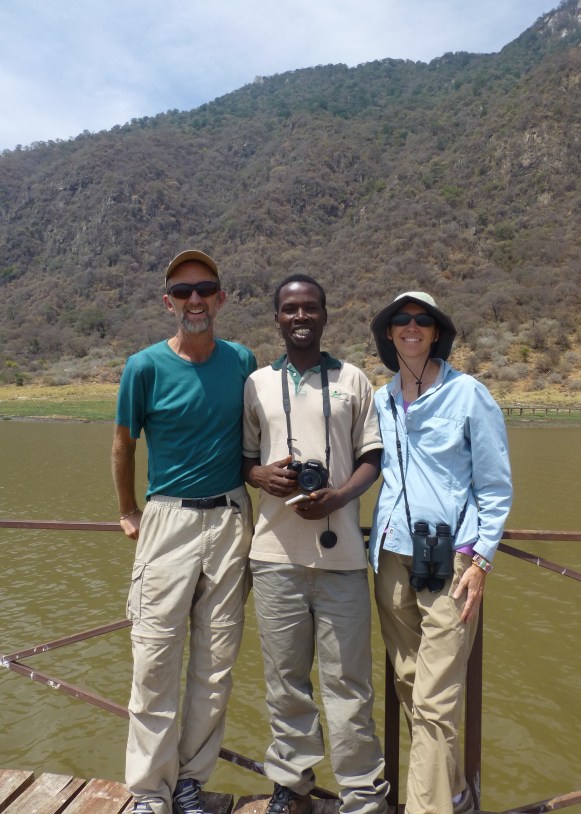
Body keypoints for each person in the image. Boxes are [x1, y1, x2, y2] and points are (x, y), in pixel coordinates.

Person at [111, 250, 256, 814]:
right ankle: (150, 791)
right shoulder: (143, 367)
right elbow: (124, 444)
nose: (195, 300)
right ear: (167, 301)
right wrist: (128, 511)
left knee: (216, 665)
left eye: (205, 289)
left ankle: (191, 780)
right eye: (183, 291)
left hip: (229, 519)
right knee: (154, 662)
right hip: (167, 518)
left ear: (221, 298)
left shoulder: (242, 360)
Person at [242, 275, 389, 814]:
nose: (300, 316)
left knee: (349, 684)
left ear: (326, 315)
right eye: (289, 309)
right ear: (276, 318)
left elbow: (373, 456)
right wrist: (261, 477)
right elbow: (245, 458)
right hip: (274, 557)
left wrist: (338, 497)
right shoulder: (256, 383)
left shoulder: (353, 380)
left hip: (342, 555)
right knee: (284, 683)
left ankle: (362, 797)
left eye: (310, 308)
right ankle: (292, 786)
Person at [369, 291, 513, 814]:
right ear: (389, 333)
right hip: (392, 559)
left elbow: (496, 487)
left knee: (434, 700)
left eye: (421, 321)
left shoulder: (469, 394)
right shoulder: (381, 397)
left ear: (435, 332)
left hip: (452, 560)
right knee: (410, 683)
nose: (411, 328)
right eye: (401, 321)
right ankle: (453, 792)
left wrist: (482, 561)